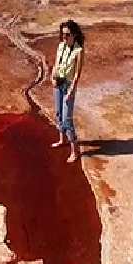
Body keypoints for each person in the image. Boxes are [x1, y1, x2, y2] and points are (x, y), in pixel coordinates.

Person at [50, 20, 85, 163]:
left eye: (67, 35)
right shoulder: (60, 46)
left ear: (74, 35)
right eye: (63, 34)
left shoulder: (79, 51)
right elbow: (56, 63)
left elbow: (77, 74)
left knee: (67, 119)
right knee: (58, 113)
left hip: (68, 85)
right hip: (58, 83)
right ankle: (61, 139)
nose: (64, 37)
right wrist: (52, 77)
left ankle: (74, 150)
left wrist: (71, 90)